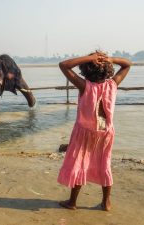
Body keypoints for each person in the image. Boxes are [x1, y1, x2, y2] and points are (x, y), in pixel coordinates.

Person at [57, 51, 132, 211]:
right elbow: (127, 64)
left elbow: (64, 65)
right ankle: (106, 203)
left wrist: (90, 58)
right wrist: (110, 59)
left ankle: (72, 202)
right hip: (106, 132)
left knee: (79, 163)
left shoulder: (84, 86)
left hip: (84, 132)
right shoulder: (112, 84)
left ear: (85, 70)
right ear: (108, 69)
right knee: (105, 164)